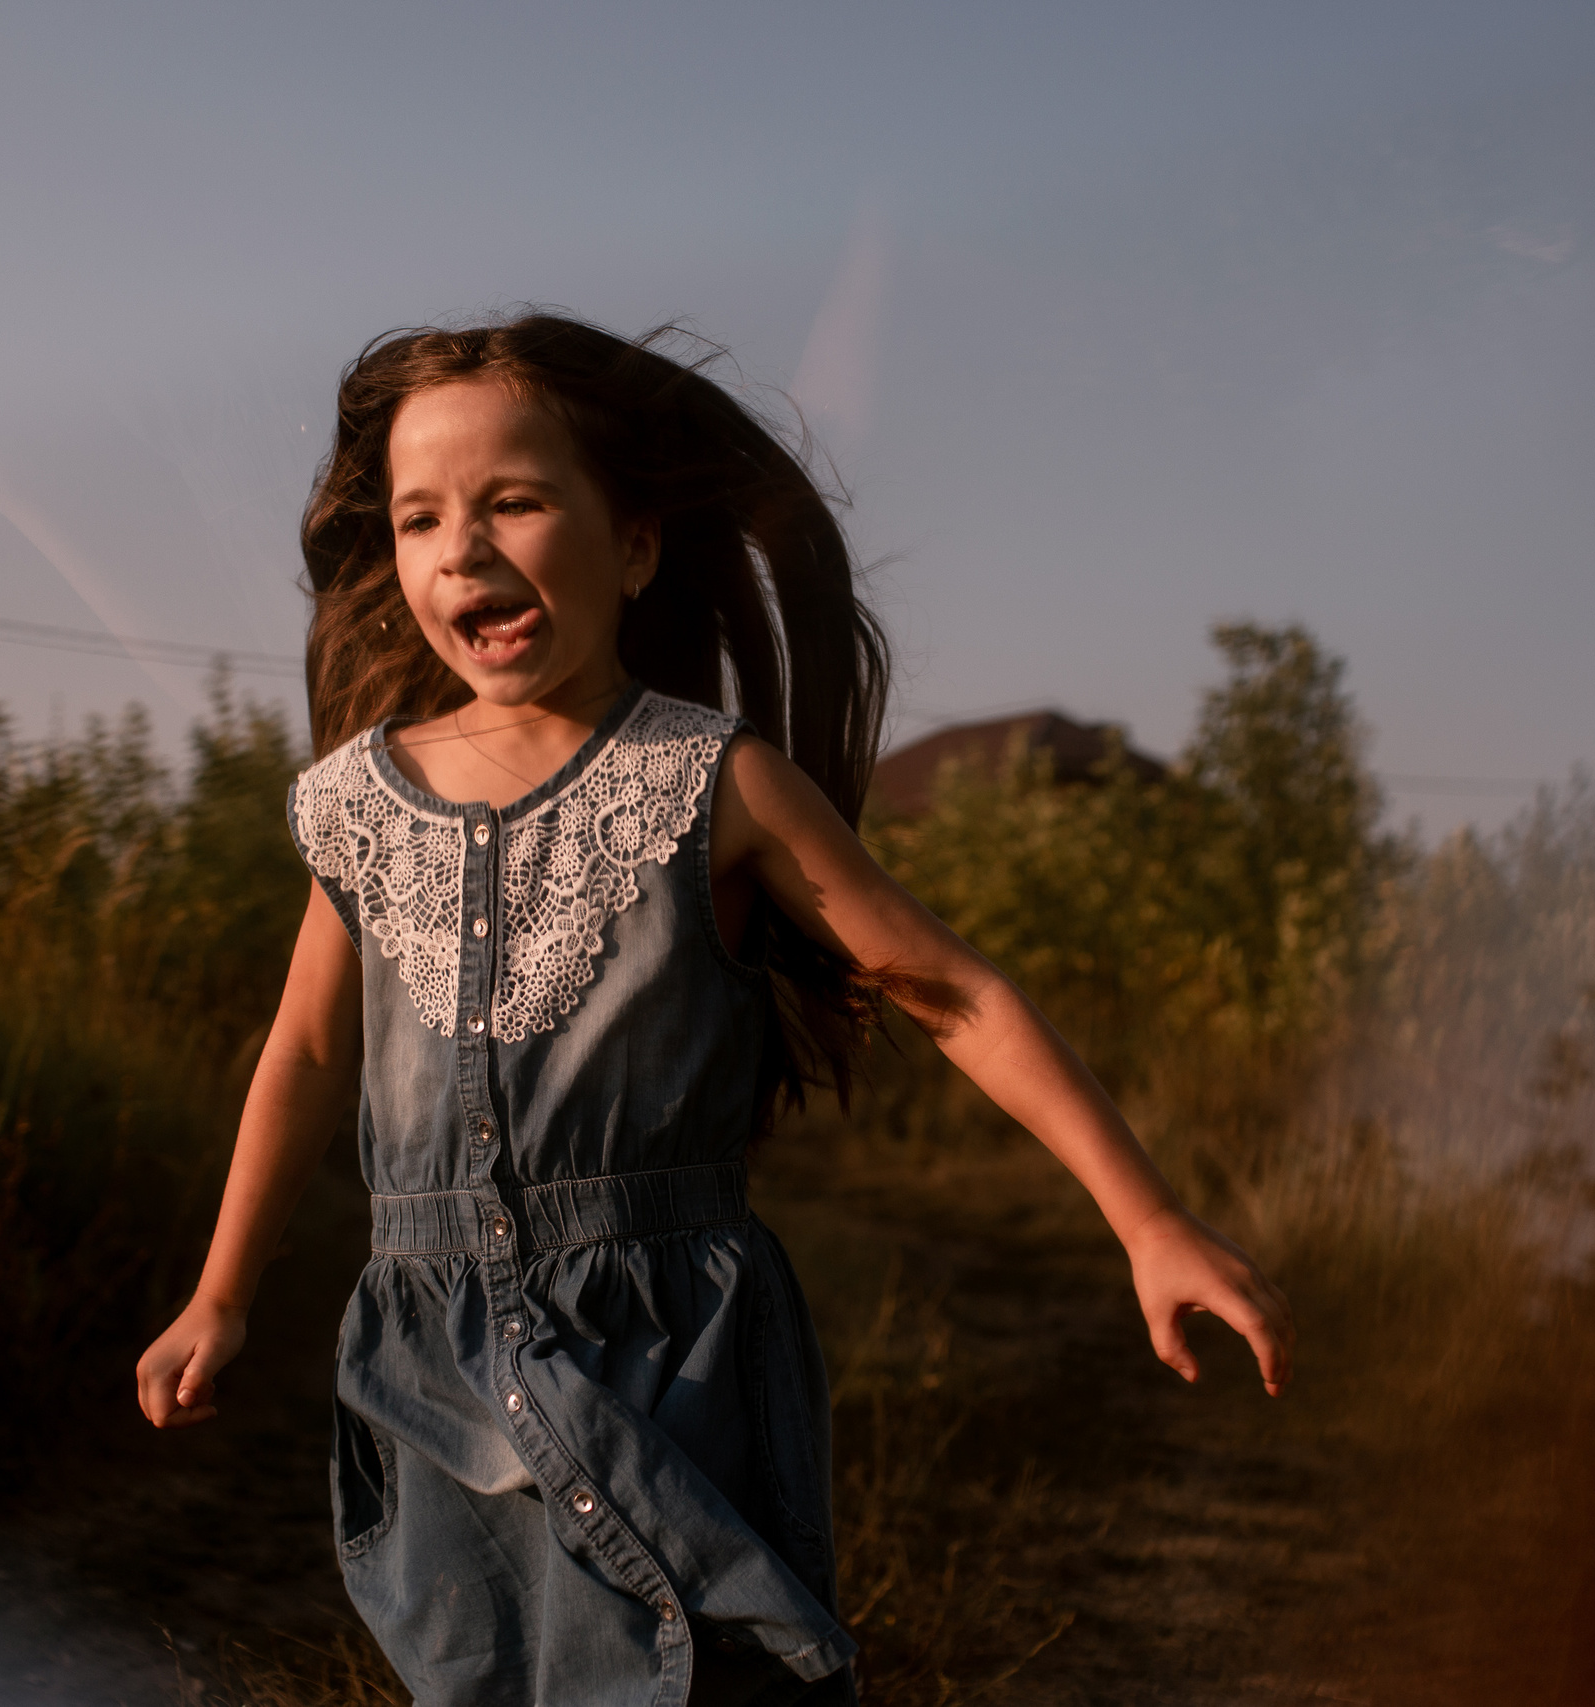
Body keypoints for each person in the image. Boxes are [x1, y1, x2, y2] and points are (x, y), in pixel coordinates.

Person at [134, 314, 1293, 1706]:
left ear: (632, 545)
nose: (463, 547)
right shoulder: (359, 806)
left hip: (668, 1349)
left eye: (514, 500)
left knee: (706, 1680)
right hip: (431, 1361)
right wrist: (219, 1293)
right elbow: (308, 1051)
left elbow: (957, 992)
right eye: (421, 516)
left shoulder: (710, 780)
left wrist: (1148, 1220)